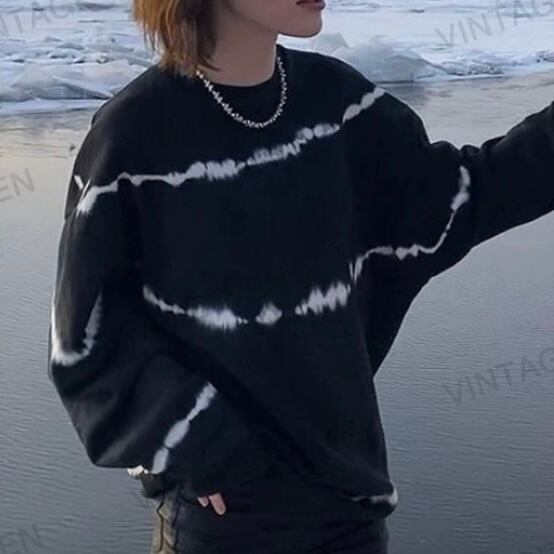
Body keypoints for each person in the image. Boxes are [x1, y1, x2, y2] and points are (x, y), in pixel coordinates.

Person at [46, 0, 554, 552]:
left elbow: (454, 200)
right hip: (220, 523)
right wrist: (196, 446)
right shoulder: (135, 133)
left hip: (350, 509)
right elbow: (85, 335)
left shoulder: (339, 104)